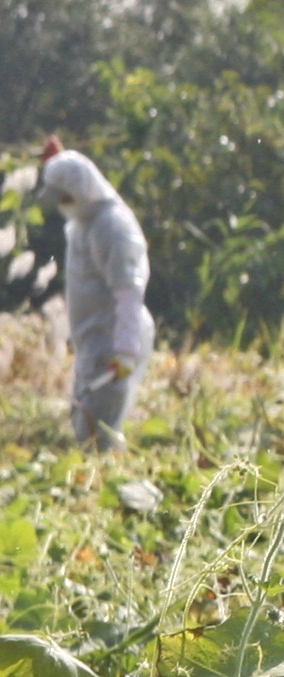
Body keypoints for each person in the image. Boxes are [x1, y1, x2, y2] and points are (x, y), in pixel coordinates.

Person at [41, 150, 149, 451]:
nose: (62, 204)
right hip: (93, 344)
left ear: (79, 191)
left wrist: (125, 350)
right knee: (87, 428)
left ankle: (107, 486)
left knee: (97, 435)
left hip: (112, 344)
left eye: (64, 196)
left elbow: (129, 291)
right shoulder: (83, 223)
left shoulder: (112, 227)